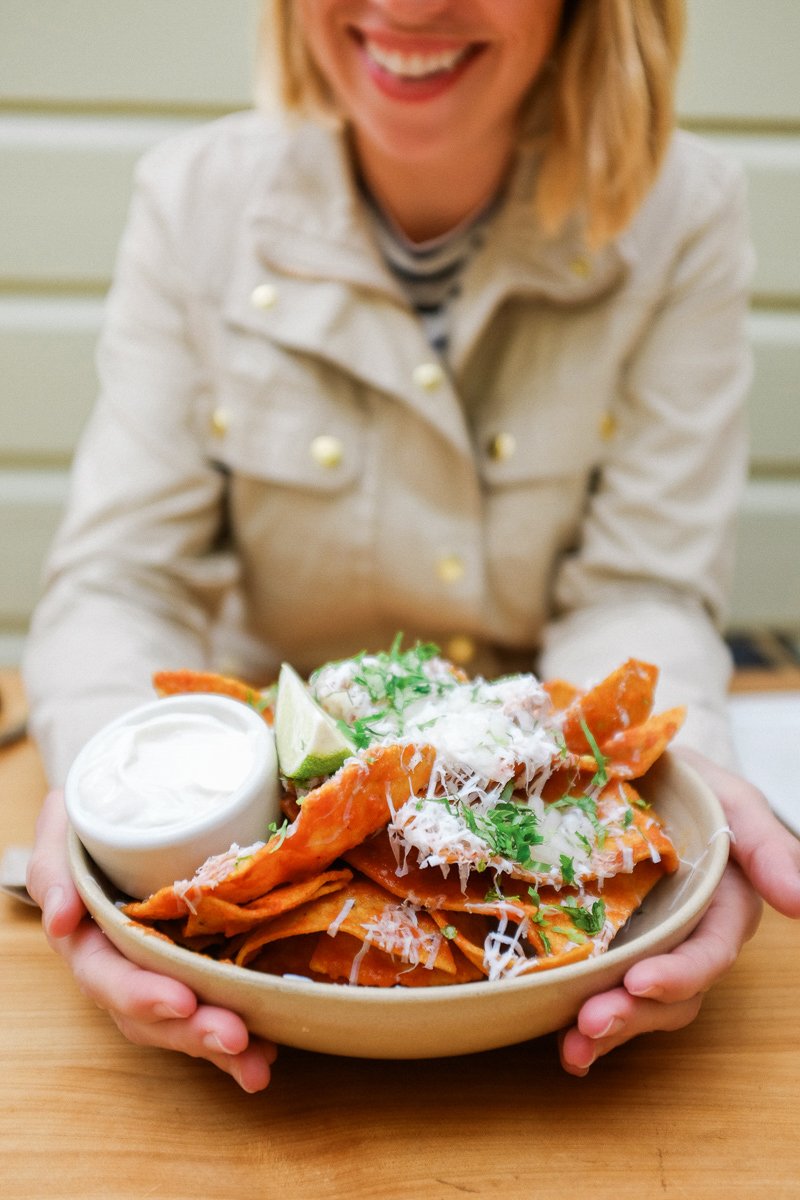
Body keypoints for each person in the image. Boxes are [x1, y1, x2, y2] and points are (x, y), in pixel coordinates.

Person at [23, 0, 800, 1092]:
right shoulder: (195, 201)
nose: (410, 6)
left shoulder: (683, 214)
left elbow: (641, 588)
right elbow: (116, 582)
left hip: (539, 895)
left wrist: (685, 809)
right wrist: (115, 799)